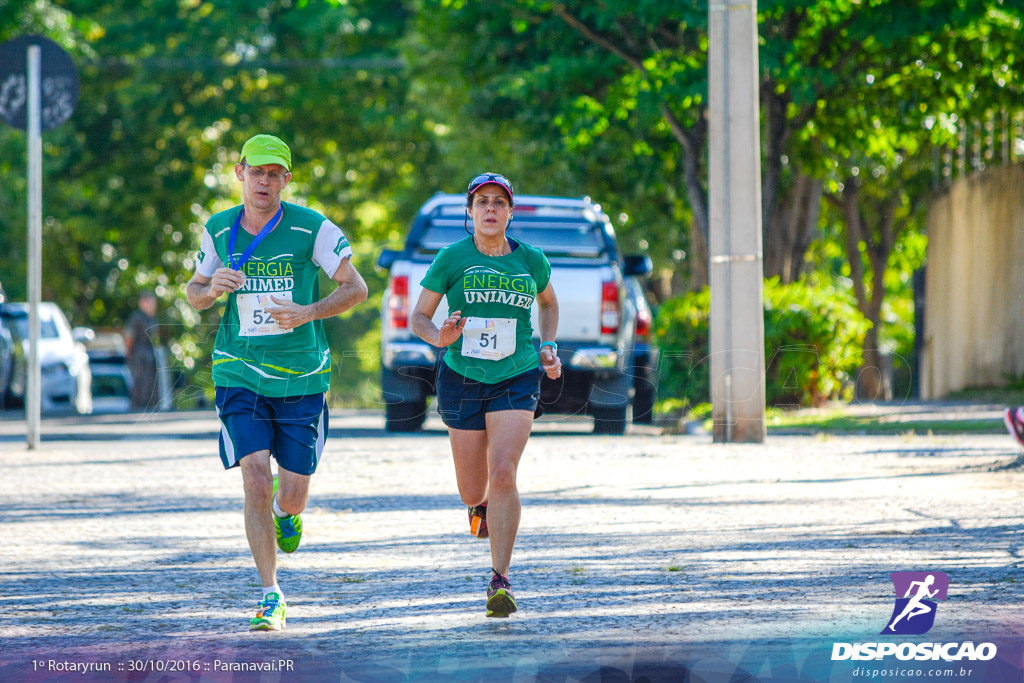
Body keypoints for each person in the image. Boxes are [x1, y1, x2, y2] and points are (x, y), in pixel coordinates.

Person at [186, 133, 368, 631]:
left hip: (302, 376)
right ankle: (270, 594)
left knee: (291, 492)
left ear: (286, 180)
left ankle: (287, 515)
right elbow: (194, 290)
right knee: (253, 475)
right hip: (238, 370)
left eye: (274, 174)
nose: (264, 181)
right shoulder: (219, 229)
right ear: (240, 172)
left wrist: (308, 312)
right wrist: (210, 287)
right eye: (256, 171)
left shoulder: (314, 229)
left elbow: (356, 287)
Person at [410, 172, 561, 618]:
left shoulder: (531, 260)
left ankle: (500, 578)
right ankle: (478, 508)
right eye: (482, 202)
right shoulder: (451, 258)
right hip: (461, 376)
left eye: (499, 202)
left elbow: (549, 303)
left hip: (517, 375)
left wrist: (548, 346)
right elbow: (419, 316)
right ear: (470, 213)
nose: (491, 209)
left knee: (503, 473)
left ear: (510, 213)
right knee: (473, 488)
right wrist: (440, 335)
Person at [124, 291, 163, 411]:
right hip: (138, 353)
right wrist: (129, 352)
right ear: (143, 303)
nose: (153, 306)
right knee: (139, 381)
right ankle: (137, 407)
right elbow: (129, 337)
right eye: (151, 302)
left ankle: (150, 406)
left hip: (149, 352)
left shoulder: (152, 317)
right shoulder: (137, 317)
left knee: (151, 382)